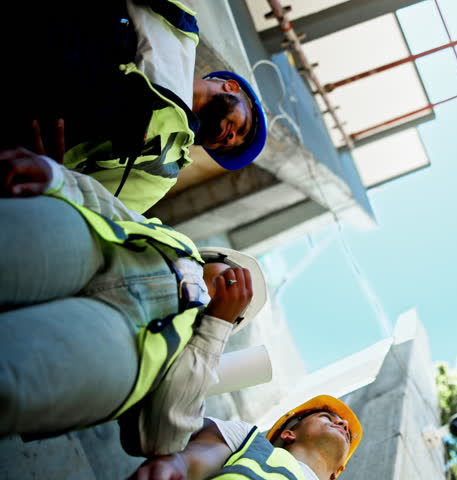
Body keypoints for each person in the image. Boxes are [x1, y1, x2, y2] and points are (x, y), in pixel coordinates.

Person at [0, 147, 268, 456]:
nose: (240, 286)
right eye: (238, 273)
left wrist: (215, 327)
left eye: (241, 303)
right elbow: (112, 209)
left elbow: (160, 440)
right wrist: (57, 177)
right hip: (102, 252)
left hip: (125, 337)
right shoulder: (176, 244)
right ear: (214, 258)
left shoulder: (198, 352)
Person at [2, 0, 268, 213]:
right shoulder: (181, 30)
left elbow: (101, 213)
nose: (231, 138)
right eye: (242, 127)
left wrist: (54, 177)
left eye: (228, 147)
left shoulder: (162, 171)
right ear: (231, 86)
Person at [129, 395, 363, 480]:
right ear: (289, 433)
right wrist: (176, 464)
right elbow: (195, 460)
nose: (341, 423)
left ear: (335, 474)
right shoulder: (249, 440)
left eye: (343, 426)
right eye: (327, 417)